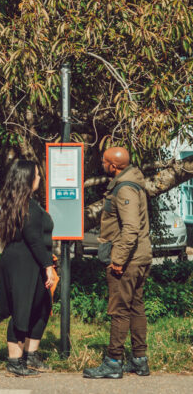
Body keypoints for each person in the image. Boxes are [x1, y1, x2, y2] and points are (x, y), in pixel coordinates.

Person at [83, 147, 152, 379]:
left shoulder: (125, 189)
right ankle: (140, 361)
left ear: (114, 166)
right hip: (139, 257)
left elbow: (130, 228)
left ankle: (114, 362)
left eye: (104, 161)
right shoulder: (131, 183)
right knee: (135, 307)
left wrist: (118, 260)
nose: (101, 164)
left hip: (129, 260)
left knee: (119, 310)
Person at [0, 160, 55, 377]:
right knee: (22, 309)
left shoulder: (22, 202)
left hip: (27, 260)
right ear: (27, 179)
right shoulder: (26, 205)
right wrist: (47, 265)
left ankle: (30, 354)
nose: (39, 178)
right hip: (24, 263)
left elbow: (36, 239)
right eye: (36, 175)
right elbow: (33, 238)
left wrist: (46, 259)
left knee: (42, 305)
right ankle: (15, 362)